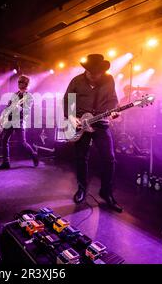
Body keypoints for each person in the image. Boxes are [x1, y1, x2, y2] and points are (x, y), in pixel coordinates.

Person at [63, 54, 123, 213]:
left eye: (98, 74)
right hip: (80, 123)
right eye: (91, 73)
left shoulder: (109, 80)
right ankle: (82, 189)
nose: (94, 76)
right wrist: (71, 116)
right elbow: (68, 101)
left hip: (101, 123)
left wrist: (113, 112)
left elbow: (112, 100)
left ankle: (106, 192)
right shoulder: (76, 80)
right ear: (86, 70)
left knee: (109, 159)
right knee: (81, 158)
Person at [0, 75, 39, 169]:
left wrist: (17, 109)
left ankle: (34, 154)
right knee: (4, 140)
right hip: (10, 120)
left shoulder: (28, 96)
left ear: (26, 84)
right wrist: (2, 117)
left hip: (19, 121)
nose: (19, 83)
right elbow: (8, 107)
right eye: (18, 82)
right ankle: (6, 163)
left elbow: (26, 111)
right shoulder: (15, 94)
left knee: (22, 143)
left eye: (21, 82)